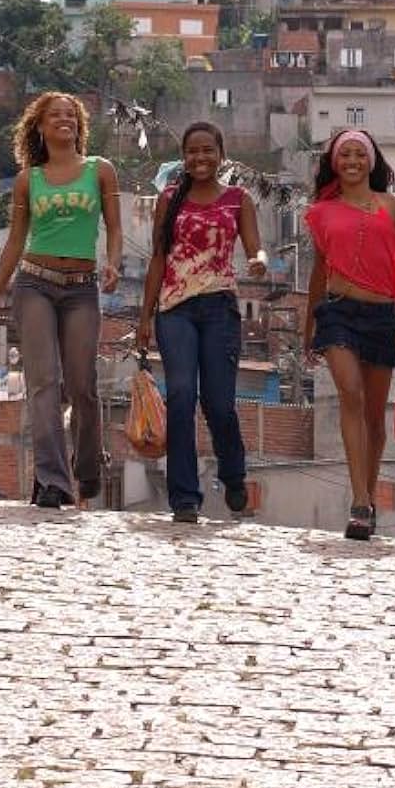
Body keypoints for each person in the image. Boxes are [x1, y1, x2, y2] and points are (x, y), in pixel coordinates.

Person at [0, 91, 122, 507]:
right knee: (44, 383)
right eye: (55, 115)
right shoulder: (29, 179)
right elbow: (15, 241)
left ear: (79, 126)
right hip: (34, 283)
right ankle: (52, 480)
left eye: (71, 115)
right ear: (39, 128)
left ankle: (89, 466)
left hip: (81, 288)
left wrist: (112, 263)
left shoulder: (100, 171)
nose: (65, 120)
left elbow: (114, 228)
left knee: (82, 385)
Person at [304, 128, 395, 541]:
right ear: (334, 162)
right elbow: (318, 271)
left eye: (360, 154)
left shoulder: (394, 207)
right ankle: (359, 501)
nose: (352, 161)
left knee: (375, 419)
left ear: (372, 160)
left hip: (381, 315)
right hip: (338, 312)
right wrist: (308, 324)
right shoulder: (322, 212)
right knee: (350, 393)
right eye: (345, 155)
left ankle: (369, 497)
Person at [137, 122, 267, 524]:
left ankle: (233, 475)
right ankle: (184, 499)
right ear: (184, 157)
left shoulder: (237, 199)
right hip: (175, 309)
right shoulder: (170, 199)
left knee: (219, 404)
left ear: (221, 155)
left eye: (208, 150)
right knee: (180, 395)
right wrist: (144, 317)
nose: (200, 158)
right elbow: (158, 259)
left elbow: (253, 244)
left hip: (219, 311)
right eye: (192, 151)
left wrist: (259, 261)